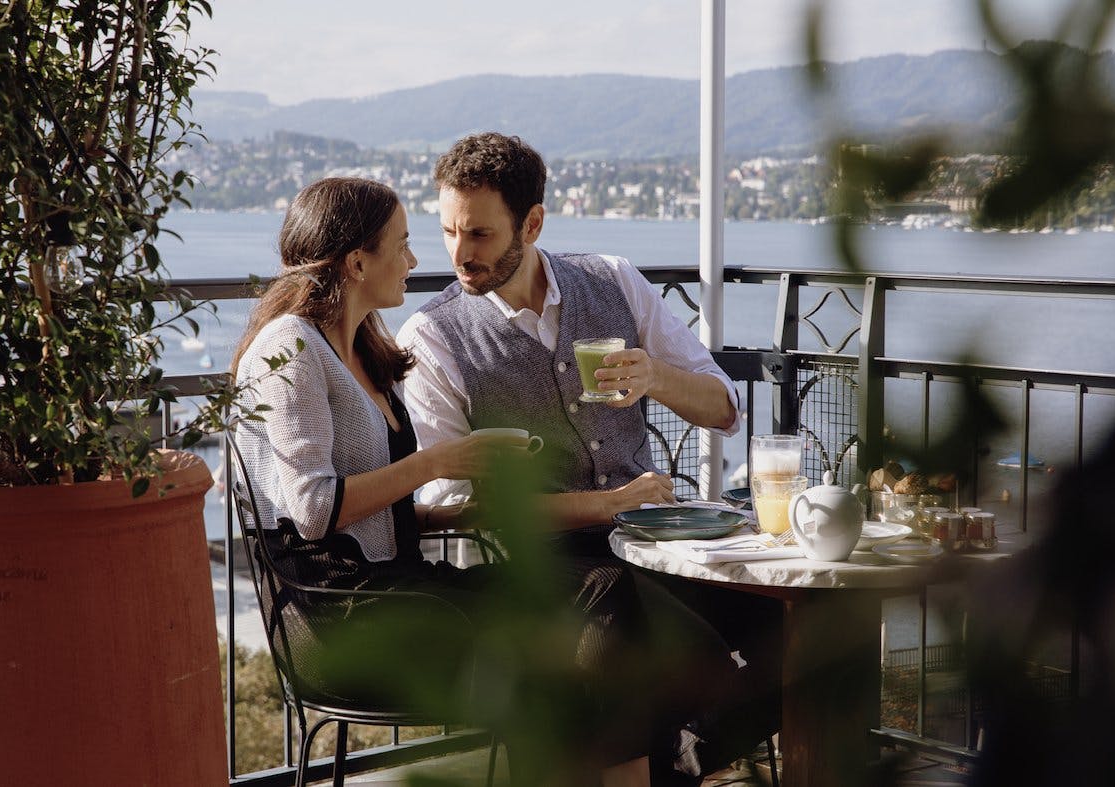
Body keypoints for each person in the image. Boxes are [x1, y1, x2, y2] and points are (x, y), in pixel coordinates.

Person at [231, 176, 748, 787]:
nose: (419, 260)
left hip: (403, 589)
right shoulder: (290, 348)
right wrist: (438, 463)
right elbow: (314, 511)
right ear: (357, 262)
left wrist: (475, 497)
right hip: (346, 617)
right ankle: (655, 760)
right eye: (405, 243)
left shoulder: (364, 346)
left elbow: (388, 515)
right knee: (600, 607)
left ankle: (638, 768)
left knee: (600, 601)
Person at [396, 132, 782, 782]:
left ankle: (675, 764)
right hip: (547, 567)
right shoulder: (432, 337)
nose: (460, 254)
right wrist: (604, 505)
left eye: (480, 234)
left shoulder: (612, 280)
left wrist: (655, 375)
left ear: (532, 223)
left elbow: (722, 408)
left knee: (793, 623)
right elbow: (452, 504)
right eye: (449, 232)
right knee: (635, 628)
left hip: (657, 544)